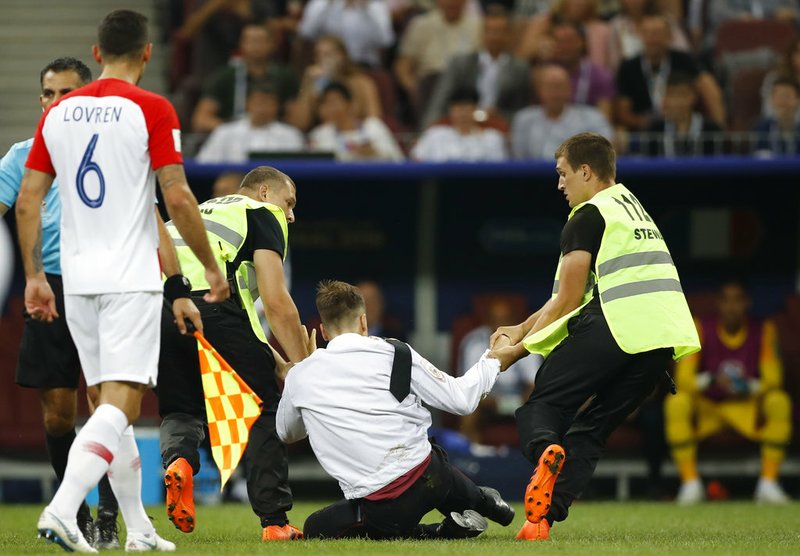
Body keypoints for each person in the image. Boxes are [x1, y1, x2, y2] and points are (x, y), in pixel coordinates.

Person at [17, 10, 228, 553]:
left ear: (95, 53)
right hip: (130, 277)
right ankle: (64, 509)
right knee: (122, 404)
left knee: (108, 402)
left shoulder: (57, 116)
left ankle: (137, 530)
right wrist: (206, 266)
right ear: (148, 53)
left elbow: (27, 201)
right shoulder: (151, 107)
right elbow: (176, 196)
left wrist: (35, 276)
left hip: (77, 281)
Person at [489, 132, 700, 540]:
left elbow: (567, 300)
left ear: (585, 171)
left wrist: (514, 350)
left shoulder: (588, 215)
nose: (560, 184)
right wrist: (521, 327)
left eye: (563, 173)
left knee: (544, 405)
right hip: (660, 345)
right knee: (593, 430)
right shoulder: (633, 208)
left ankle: (544, 452)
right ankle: (540, 521)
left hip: (618, 328)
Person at [277, 280, 516, 539]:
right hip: (433, 474)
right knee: (441, 479)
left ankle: (442, 532)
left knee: (316, 527)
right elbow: (461, 400)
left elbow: (289, 434)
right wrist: (493, 360)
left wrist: (298, 380)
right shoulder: (396, 352)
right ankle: (486, 503)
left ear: (323, 331)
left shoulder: (300, 375)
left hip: (387, 505)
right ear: (364, 323)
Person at [0, 57, 124, 549]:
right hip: (48, 286)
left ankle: (109, 518)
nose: (56, 102)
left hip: (101, 282)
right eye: (49, 94)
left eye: (67, 93)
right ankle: (77, 510)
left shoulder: (112, 153)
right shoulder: (21, 155)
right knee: (56, 414)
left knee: (103, 403)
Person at [158, 166, 312, 541]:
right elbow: (275, 303)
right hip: (213, 303)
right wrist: (308, 369)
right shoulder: (262, 214)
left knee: (183, 408)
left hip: (158, 309)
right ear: (263, 192)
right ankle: (275, 522)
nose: (290, 215)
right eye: (288, 203)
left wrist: (276, 362)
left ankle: (178, 462)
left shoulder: (194, 215)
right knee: (263, 410)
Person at [665, 280, 793, 504]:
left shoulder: (763, 330)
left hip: (746, 406)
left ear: (747, 303)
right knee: (677, 402)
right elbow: (683, 378)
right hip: (709, 407)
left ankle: (768, 483)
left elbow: (774, 378)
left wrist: (747, 385)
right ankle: (690, 483)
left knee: (779, 401)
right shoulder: (700, 327)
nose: (732, 307)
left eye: (738, 300)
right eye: (726, 300)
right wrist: (713, 379)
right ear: (718, 303)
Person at [422, 4, 530, 129]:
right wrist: (428, 130)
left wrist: (499, 115)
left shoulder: (520, 69)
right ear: (482, 33)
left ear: (509, 35)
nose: (494, 37)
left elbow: (522, 113)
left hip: (500, 128)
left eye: (499, 31)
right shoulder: (460, 64)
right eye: (490, 31)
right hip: (459, 125)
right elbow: (439, 103)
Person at [615, 13, 725, 131]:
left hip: (682, 122)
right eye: (647, 33)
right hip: (644, 129)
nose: (652, 39)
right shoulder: (628, 67)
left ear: (669, 36)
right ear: (640, 35)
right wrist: (650, 125)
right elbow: (623, 112)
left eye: (657, 33)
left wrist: (719, 127)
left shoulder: (684, 60)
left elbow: (707, 86)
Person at [457, 297, 540, 443]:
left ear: (514, 320)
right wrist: (490, 401)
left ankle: (537, 458)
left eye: (505, 319)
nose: (500, 325)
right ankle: (474, 458)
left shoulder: (527, 341)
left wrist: (518, 402)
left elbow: (533, 385)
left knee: (541, 406)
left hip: (519, 401)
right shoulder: (474, 341)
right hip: (487, 402)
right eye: (495, 319)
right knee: (468, 407)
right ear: (488, 321)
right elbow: (468, 385)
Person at [191, 23, 299, 133]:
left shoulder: (285, 77)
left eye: (261, 41)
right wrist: (236, 131)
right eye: (251, 41)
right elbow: (201, 119)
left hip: (274, 135)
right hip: (232, 136)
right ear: (241, 44)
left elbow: (297, 119)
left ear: (272, 44)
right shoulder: (224, 77)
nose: (256, 46)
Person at [394, 0, 483, 120]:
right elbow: (403, 65)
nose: (452, 3)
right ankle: (429, 129)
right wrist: (412, 87)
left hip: (465, 84)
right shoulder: (421, 24)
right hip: (430, 83)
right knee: (430, 85)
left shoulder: (478, 26)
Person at [512, 65, 612, 159]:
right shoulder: (524, 119)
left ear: (570, 89)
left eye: (560, 86)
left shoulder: (592, 118)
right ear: (539, 90)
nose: (555, 93)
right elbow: (518, 158)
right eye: (550, 87)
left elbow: (606, 152)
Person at [293, 35, 383, 132]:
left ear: (342, 56)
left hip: (356, 135)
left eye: (328, 54)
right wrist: (307, 82)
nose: (322, 59)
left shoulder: (361, 83)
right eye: (318, 54)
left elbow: (374, 120)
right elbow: (300, 124)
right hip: (325, 137)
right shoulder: (315, 85)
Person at [196, 84, 304, 163]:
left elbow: (298, 168)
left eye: (268, 103)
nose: (262, 108)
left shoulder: (290, 135)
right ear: (247, 103)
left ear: (277, 106)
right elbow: (204, 162)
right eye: (258, 103)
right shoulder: (225, 131)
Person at [309, 82, 405, 161]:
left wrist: (374, 153)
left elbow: (398, 160)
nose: (330, 108)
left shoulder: (373, 126)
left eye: (334, 102)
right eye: (325, 103)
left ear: (350, 104)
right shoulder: (320, 134)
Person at [640, 72, 724, 157]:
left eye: (680, 94)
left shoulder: (711, 129)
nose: (674, 101)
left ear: (693, 96)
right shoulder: (655, 129)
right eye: (670, 95)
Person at [412, 89, 509, 162]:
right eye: (458, 110)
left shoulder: (492, 138)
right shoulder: (435, 135)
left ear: (475, 110)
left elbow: (500, 169)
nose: (463, 114)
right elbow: (417, 161)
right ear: (450, 111)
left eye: (466, 109)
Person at [298, 0, 395, 67]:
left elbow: (386, 41)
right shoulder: (322, 3)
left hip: (363, 65)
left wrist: (367, 9)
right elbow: (306, 32)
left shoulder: (375, 6)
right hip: (327, 63)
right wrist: (327, 5)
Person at [752, 77, 800, 156]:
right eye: (778, 96)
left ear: (798, 99)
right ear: (771, 99)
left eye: (787, 95)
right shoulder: (760, 128)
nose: (782, 101)